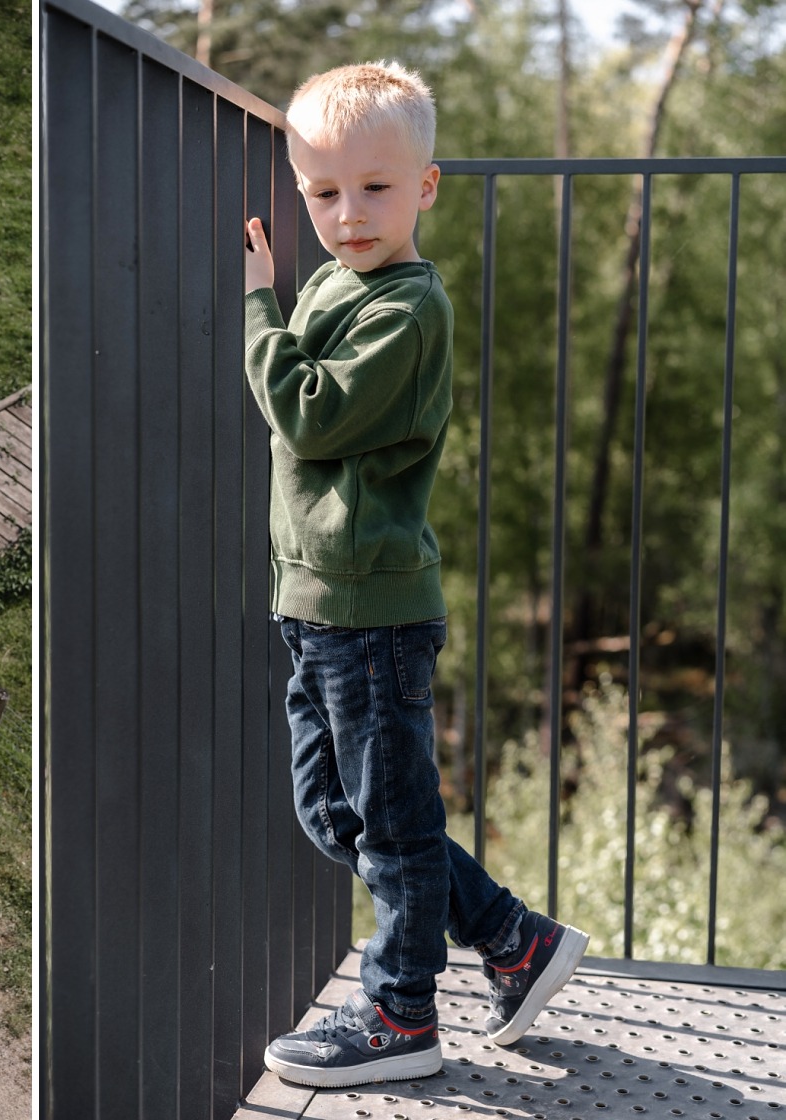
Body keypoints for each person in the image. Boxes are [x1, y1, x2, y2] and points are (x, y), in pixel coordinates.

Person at [242, 60, 588, 1089]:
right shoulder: (347, 286)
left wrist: (262, 309)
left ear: (425, 188)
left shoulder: (406, 310)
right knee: (335, 811)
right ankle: (512, 938)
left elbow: (305, 412)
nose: (348, 215)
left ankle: (402, 1015)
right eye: (323, 192)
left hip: (370, 610)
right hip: (316, 601)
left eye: (375, 189)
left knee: (389, 821)